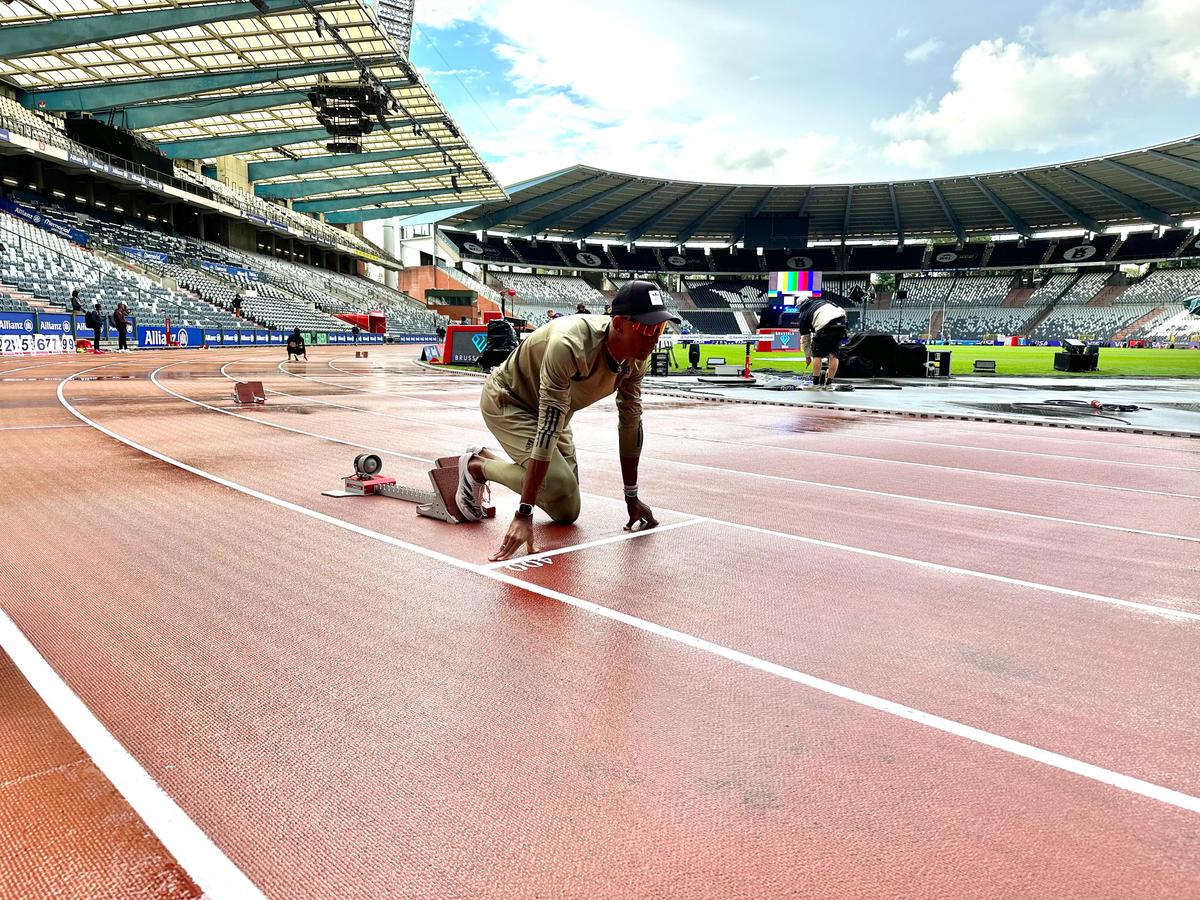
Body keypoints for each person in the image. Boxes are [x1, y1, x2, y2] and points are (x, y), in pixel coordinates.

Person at [450, 280, 679, 561]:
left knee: (567, 511)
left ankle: (489, 460)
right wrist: (524, 513)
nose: (654, 338)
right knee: (557, 484)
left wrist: (631, 497)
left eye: (661, 328)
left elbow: (630, 424)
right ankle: (477, 466)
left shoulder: (635, 358)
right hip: (509, 401)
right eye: (647, 328)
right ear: (619, 323)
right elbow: (547, 427)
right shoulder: (569, 345)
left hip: (557, 411)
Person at [796, 295, 848, 390]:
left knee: (817, 355)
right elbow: (840, 309)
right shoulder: (823, 301)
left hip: (825, 325)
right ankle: (828, 385)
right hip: (841, 322)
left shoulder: (804, 314)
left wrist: (807, 357)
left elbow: (805, 339)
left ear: (800, 306)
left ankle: (815, 384)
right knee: (834, 354)